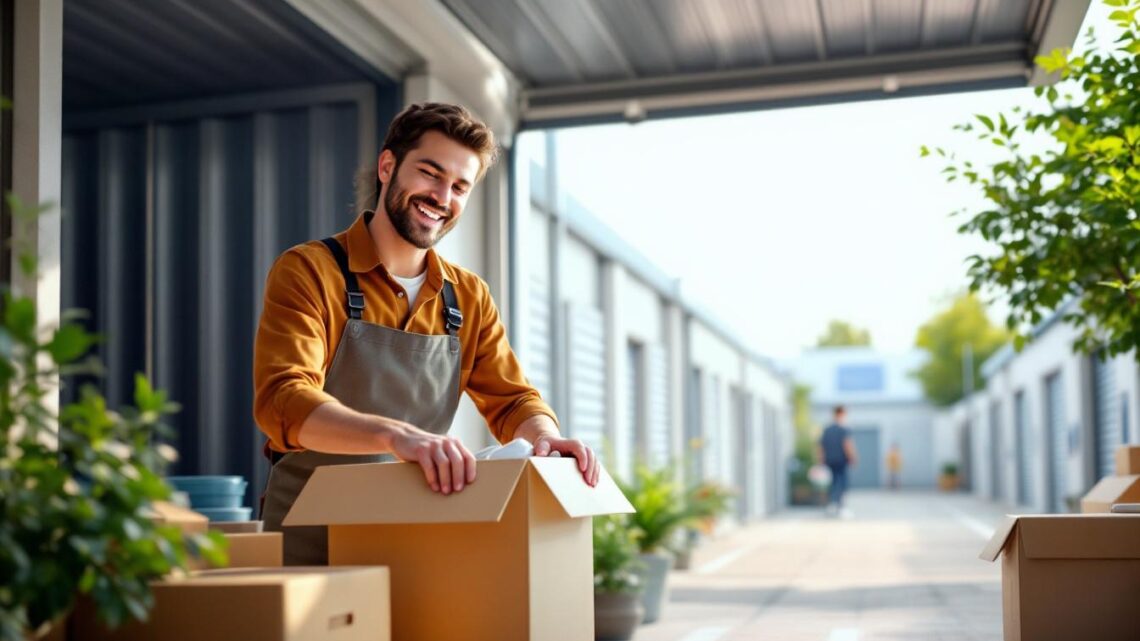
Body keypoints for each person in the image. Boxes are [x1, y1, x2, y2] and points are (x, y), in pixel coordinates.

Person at [253, 103, 599, 565]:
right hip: (310, 538)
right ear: (387, 166)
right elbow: (285, 401)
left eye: (460, 186)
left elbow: (514, 400)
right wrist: (397, 437)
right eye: (431, 173)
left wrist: (543, 436)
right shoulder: (310, 271)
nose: (442, 197)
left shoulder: (469, 297)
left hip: (413, 537)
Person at [817, 405, 858, 517]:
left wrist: (821, 460)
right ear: (842, 414)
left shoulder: (827, 430)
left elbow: (821, 447)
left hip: (829, 461)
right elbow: (847, 445)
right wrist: (853, 458)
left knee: (833, 483)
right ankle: (841, 507)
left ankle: (831, 506)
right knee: (842, 483)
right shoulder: (844, 429)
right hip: (841, 461)